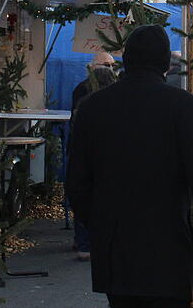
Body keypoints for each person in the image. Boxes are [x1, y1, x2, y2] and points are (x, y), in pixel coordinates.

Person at [67, 25, 193, 308]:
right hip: (168, 248)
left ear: (126, 59)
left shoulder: (92, 106)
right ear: (166, 64)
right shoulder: (182, 106)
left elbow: (76, 183)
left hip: (115, 250)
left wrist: (100, 224)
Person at [68, 51, 117, 261]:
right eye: (105, 64)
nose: (109, 68)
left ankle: (86, 242)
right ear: (92, 67)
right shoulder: (83, 91)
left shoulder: (87, 96)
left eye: (112, 65)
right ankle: (86, 242)